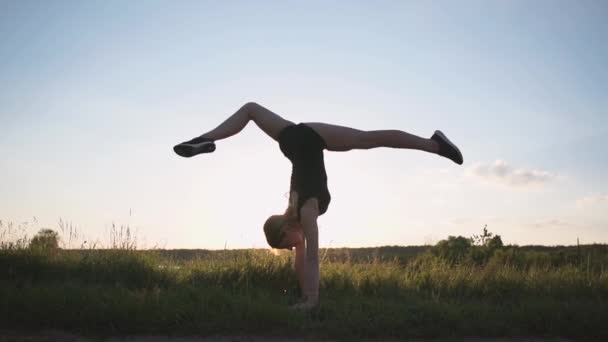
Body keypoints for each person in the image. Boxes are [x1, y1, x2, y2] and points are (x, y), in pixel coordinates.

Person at [173, 102, 463, 309]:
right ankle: (206, 139)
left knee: (369, 139)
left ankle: (434, 145)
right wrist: (303, 295)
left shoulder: (306, 212)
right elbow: (302, 258)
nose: (290, 249)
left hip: (311, 139)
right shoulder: (295, 209)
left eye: (286, 245)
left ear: (286, 231)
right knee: (250, 109)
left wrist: (312, 300)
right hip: (292, 141)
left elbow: (312, 259)